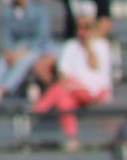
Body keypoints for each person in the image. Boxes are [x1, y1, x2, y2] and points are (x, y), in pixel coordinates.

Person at [32, 15, 111, 151]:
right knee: (64, 100)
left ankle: (37, 110)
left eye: (86, 27)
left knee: (59, 89)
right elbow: (63, 74)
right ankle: (71, 138)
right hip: (73, 90)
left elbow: (95, 67)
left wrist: (89, 45)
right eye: (79, 27)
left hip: (95, 91)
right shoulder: (70, 46)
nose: (82, 31)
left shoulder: (101, 45)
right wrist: (74, 83)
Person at [34, 0, 112, 88]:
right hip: (70, 42)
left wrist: (86, 38)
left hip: (90, 43)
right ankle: (58, 92)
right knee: (40, 66)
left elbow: (105, 26)